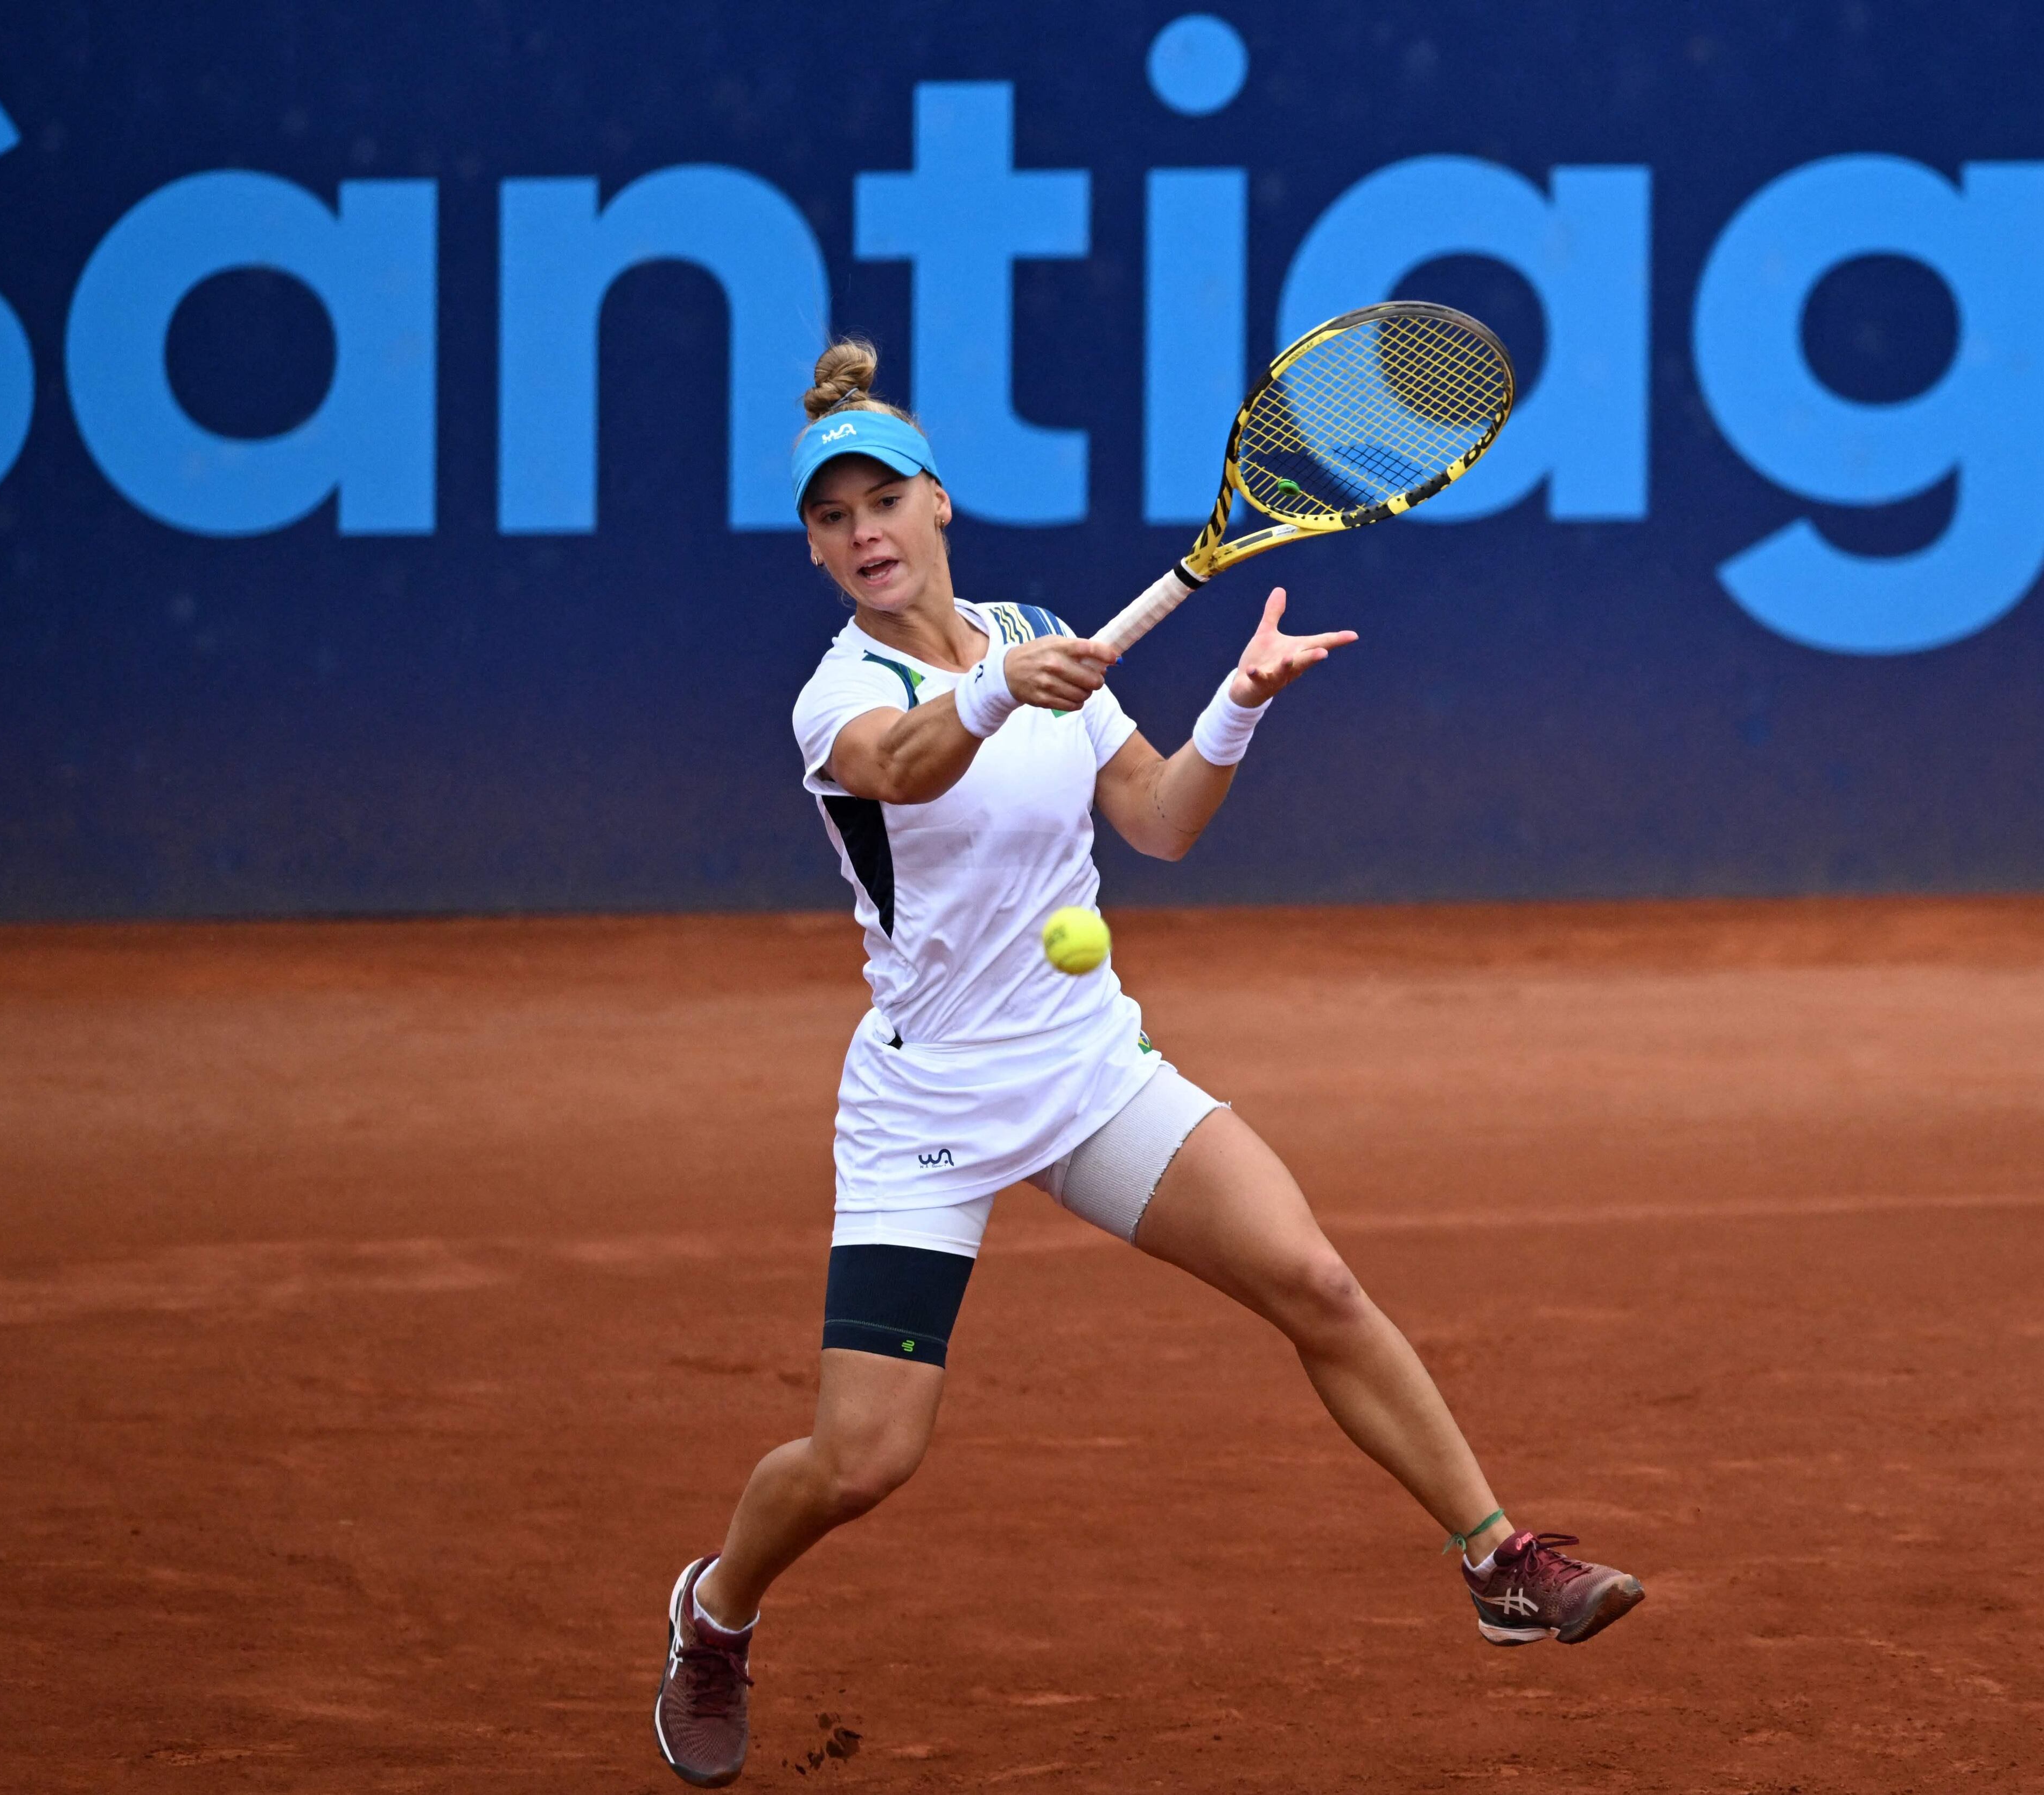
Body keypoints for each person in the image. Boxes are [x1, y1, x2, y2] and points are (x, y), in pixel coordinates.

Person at [653, 338, 1642, 1787]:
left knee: (1316, 1279)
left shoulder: (1040, 626)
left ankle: (1498, 1557)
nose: (861, 531)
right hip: (929, 1101)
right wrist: (999, 695)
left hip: (1086, 1067)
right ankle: (716, 1607)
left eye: (882, 500)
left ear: (940, 506)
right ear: (816, 550)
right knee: (864, 1459)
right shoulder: (835, 696)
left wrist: (1236, 705)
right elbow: (908, 763)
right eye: (830, 515)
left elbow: (1160, 822)